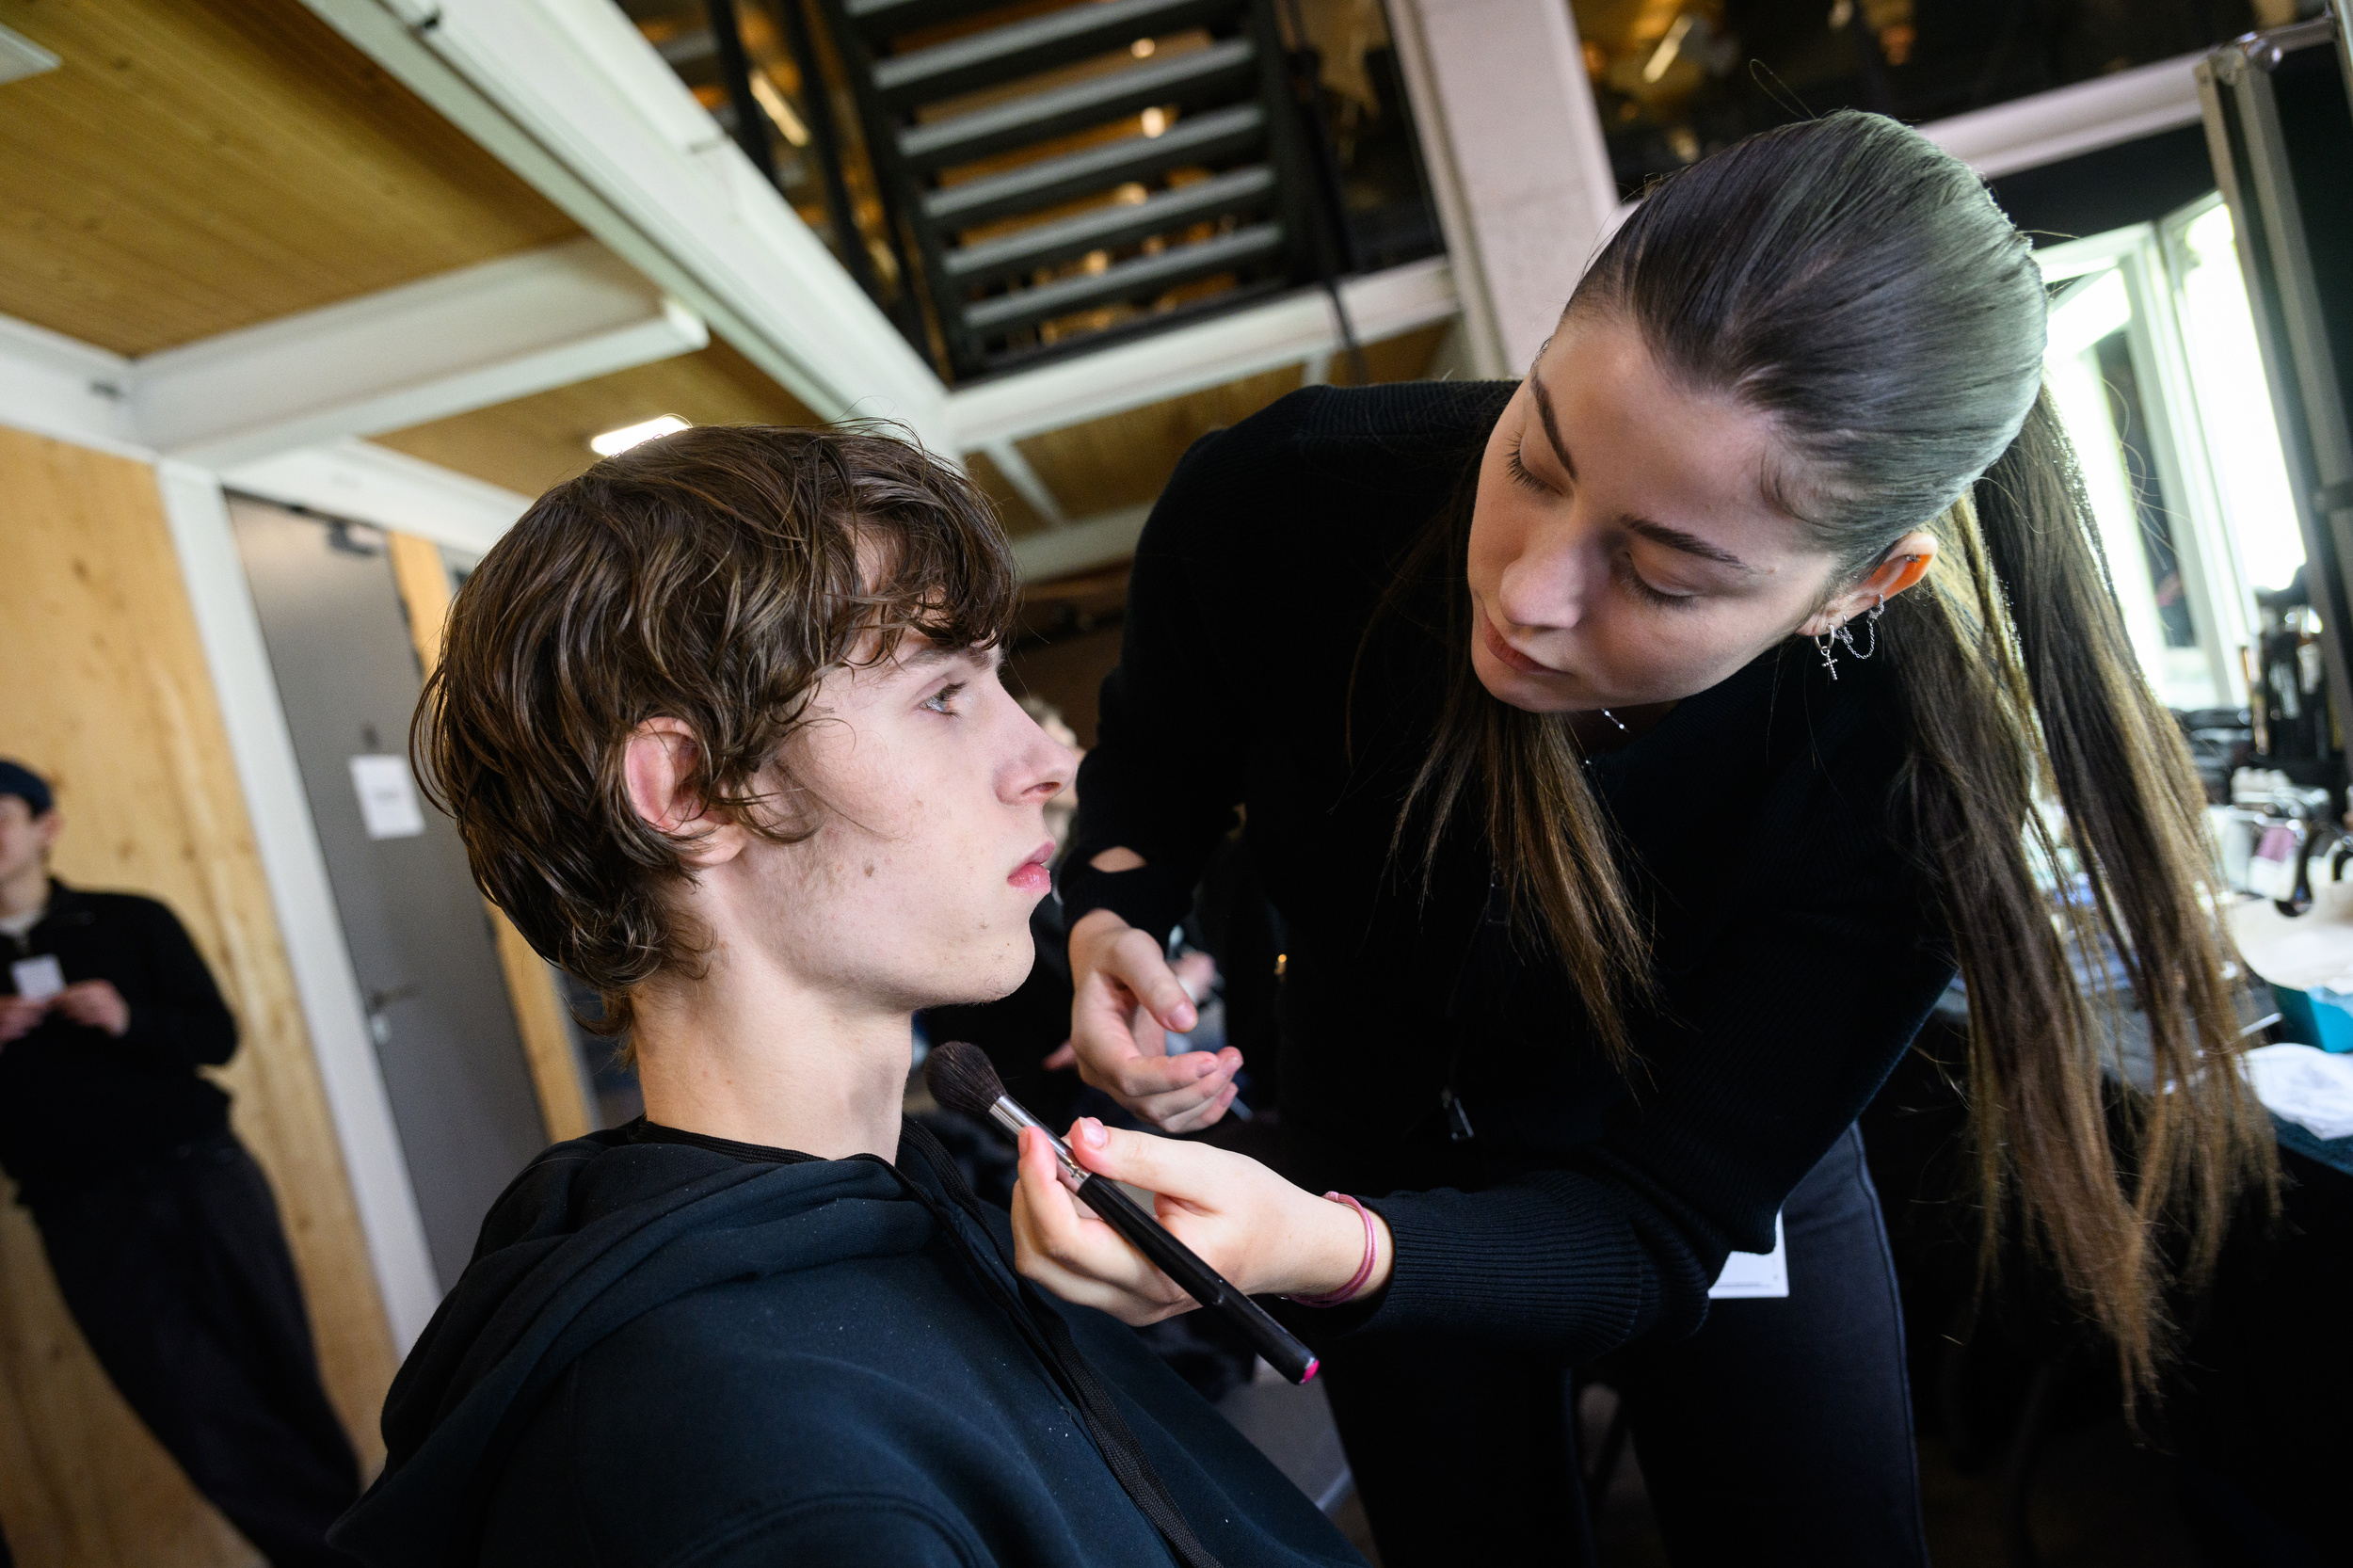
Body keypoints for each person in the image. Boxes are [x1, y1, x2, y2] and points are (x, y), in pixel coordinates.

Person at [1011, 110, 2276, 1566]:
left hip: (1691, 1168)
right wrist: (1120, 915)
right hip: (1374, 1129)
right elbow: (1161, 758)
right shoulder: (1287, 498)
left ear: (1863, 586)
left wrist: (1315, 1249)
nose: (1530, 594)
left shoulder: (1911, 781)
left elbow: (1655, 1231)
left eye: (1663, 574)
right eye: (1536, 455)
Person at [328, 425, 1367, 1568]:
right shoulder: (759, 1476)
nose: (1045, 761)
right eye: (941, 695)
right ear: (689, 791)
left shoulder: (914, 1199)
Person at [0, 760, 361, 1567]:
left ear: (44, 829)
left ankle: (369, 1545)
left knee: (284, 1380)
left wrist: (131, 1017)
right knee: (196, 1415)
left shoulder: (133, 921)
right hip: (84, 1217)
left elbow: (218, 1040)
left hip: (205, 1177)